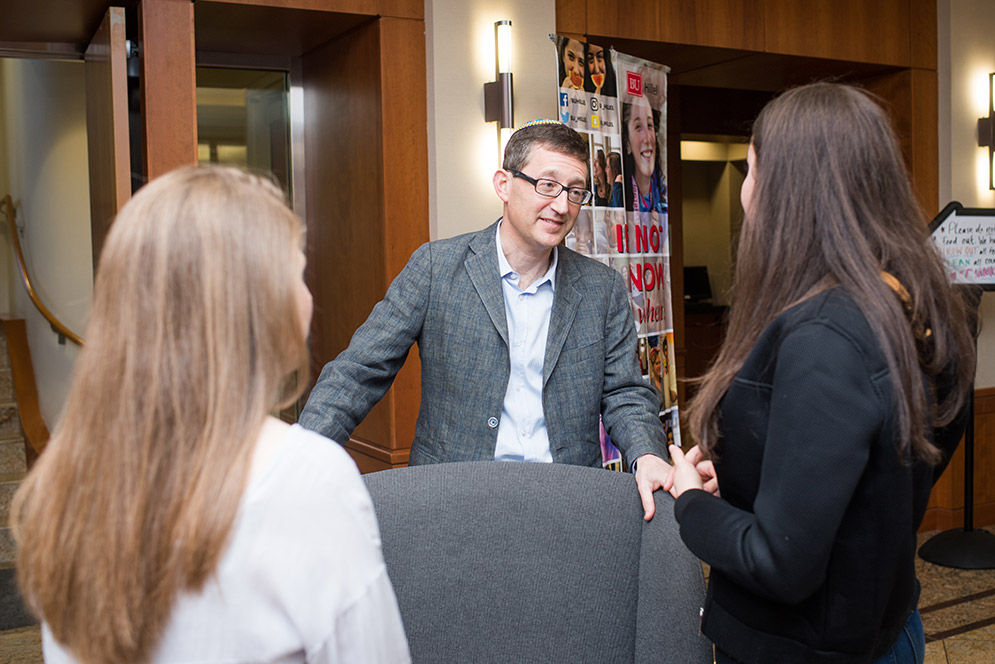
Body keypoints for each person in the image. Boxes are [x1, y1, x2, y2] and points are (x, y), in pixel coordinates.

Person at [11, 167, 410, 664]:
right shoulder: (308, 478)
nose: (310, 297)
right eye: (297, 274)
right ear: (259, 308)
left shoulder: (67, 480)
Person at [665, 83, 977, 664]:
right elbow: (884, 465)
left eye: (750, 169)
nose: (743, 191)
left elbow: (780, 563)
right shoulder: (914, 303)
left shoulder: (824, 336)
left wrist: (691, 502)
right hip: (886, 625)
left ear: (787, 190)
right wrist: (744, 476)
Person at [300, 119, 671, 520]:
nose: (562, 206)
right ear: (503, 185)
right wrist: (301, 458)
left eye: (575, 191)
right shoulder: (435, 268)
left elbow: (625, 394)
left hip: (567, 503)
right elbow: (358, 371)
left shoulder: (603, 289)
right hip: (455, 502)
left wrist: (647, 454)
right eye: (547, 185)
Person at [622, 95, 667, 213]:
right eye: (638, 127)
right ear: (628, 144)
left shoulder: (663, 195)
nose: (647, 139)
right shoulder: (621, 197)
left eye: (650, 125)